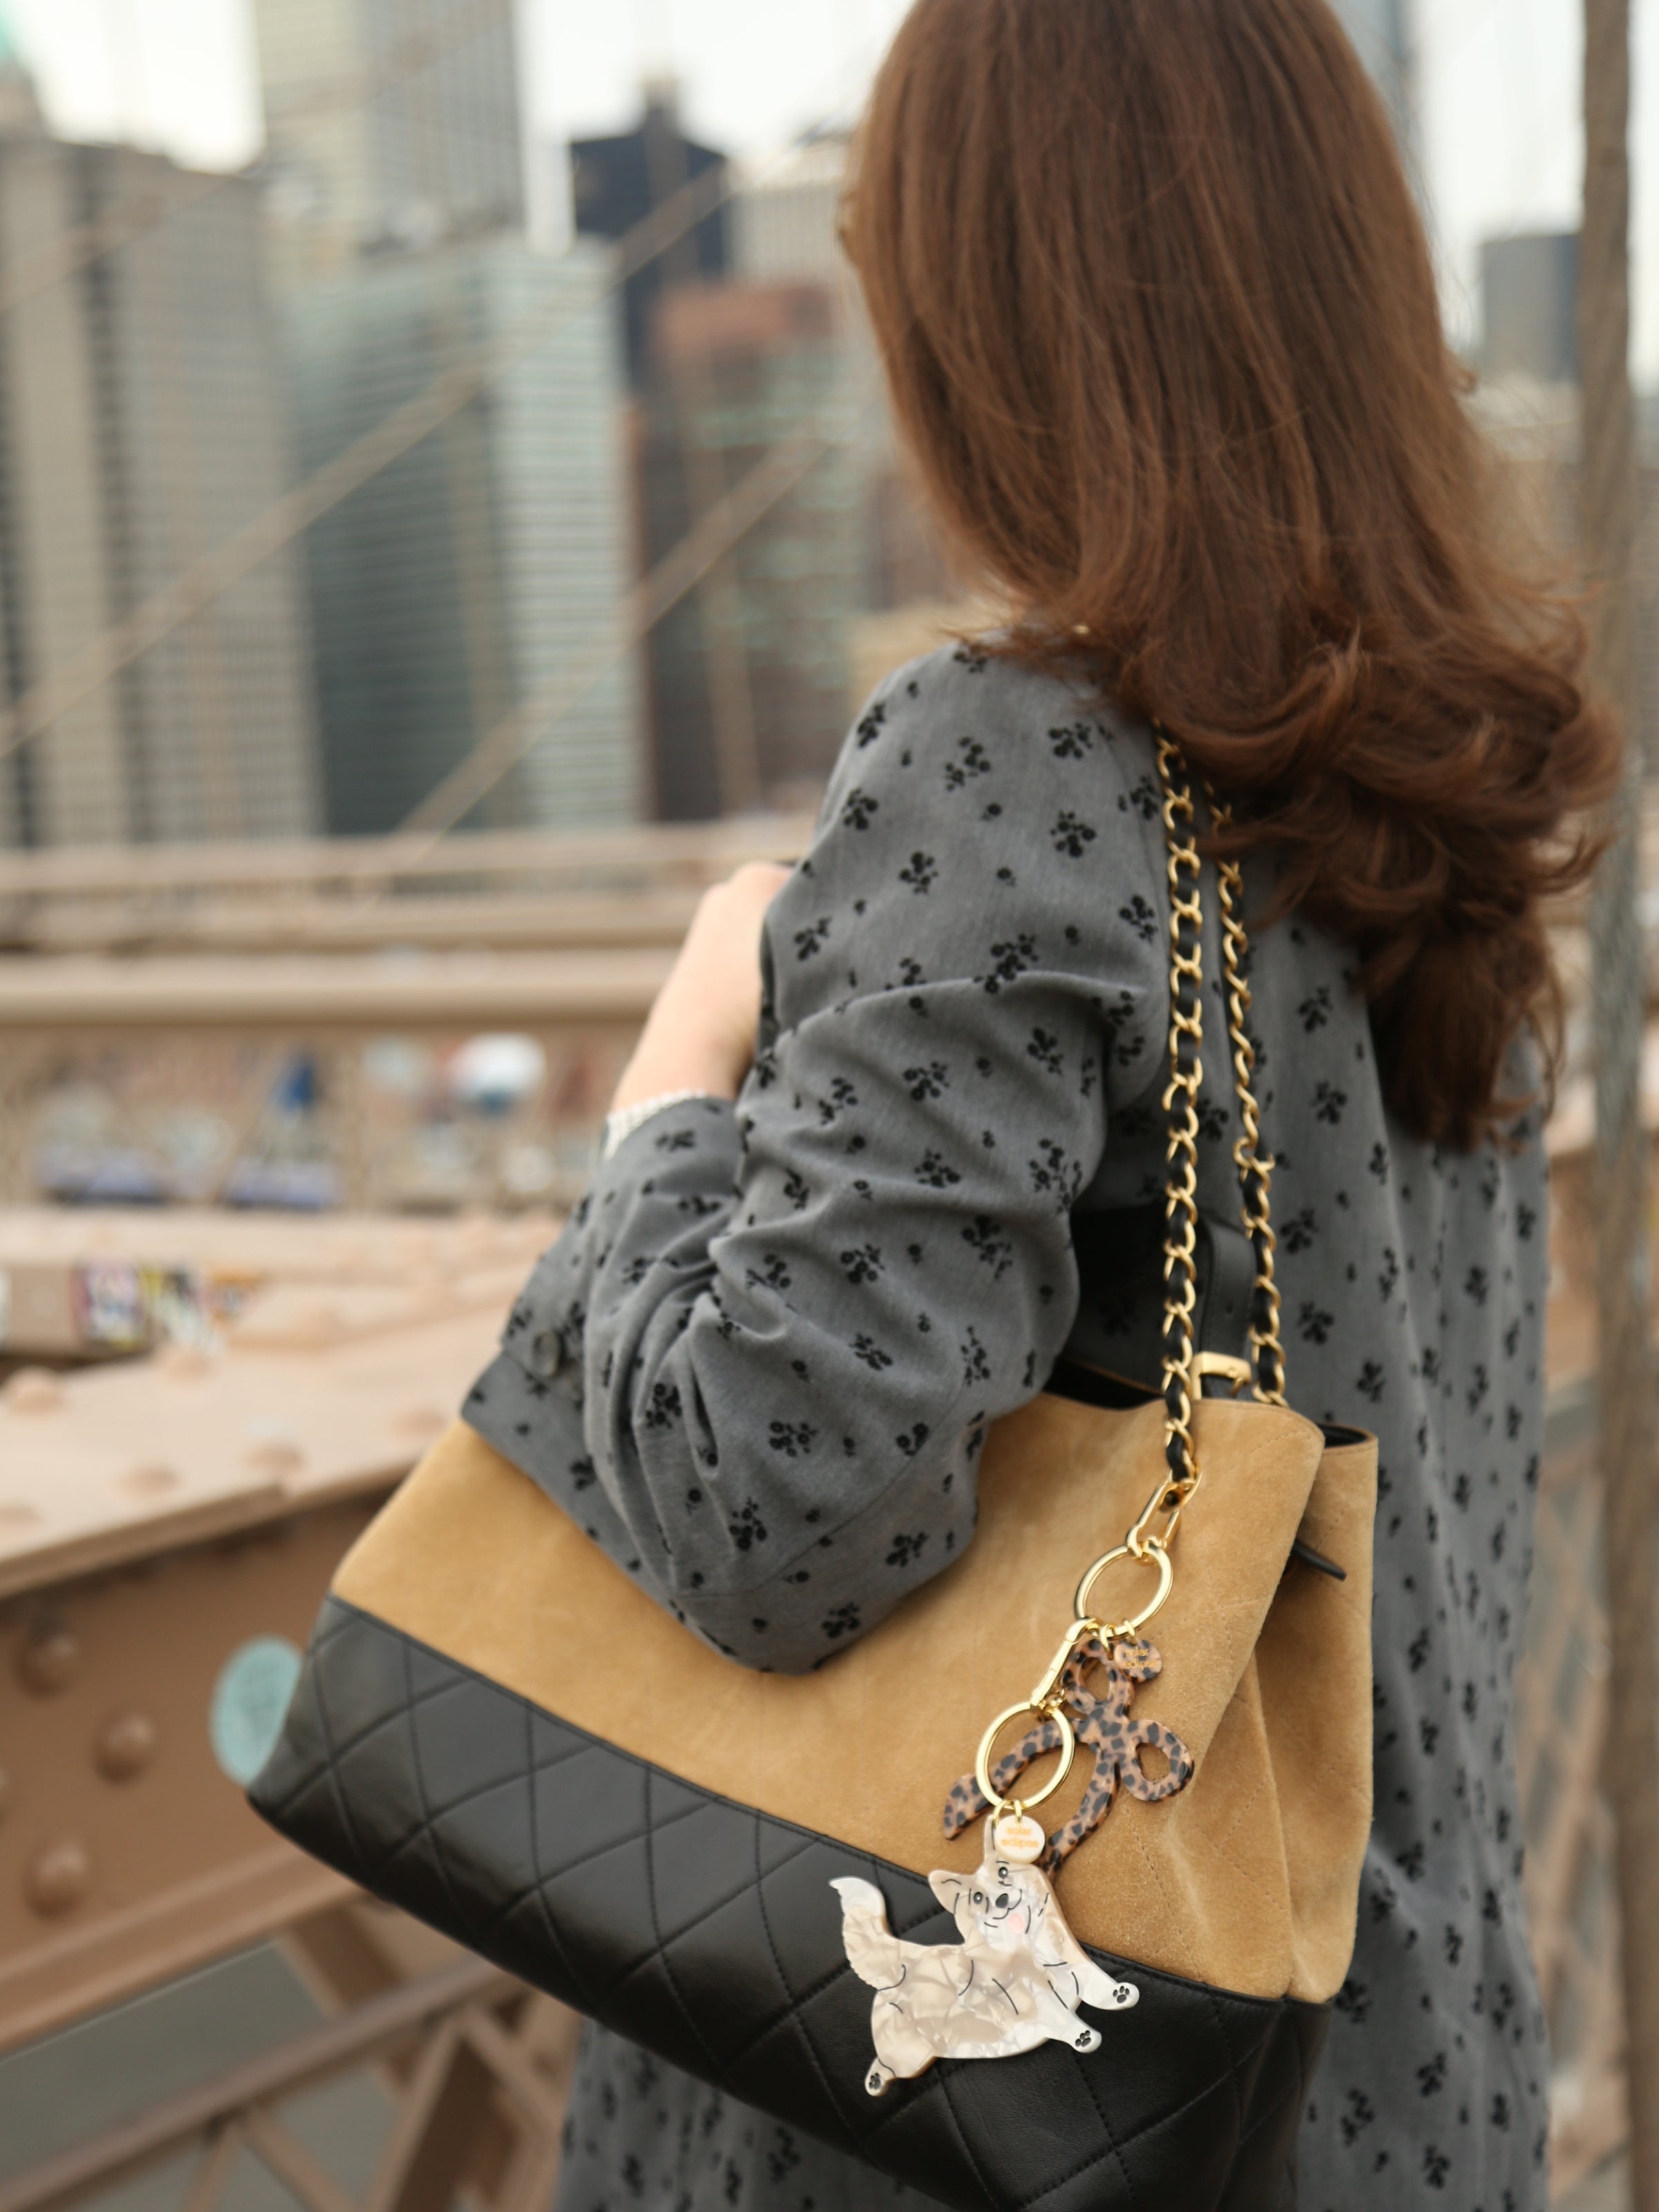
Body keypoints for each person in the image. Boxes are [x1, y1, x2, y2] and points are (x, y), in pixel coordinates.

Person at [462, 1, 1618, 2204]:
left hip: (1005, 2114)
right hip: (1394, 2088)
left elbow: (774, 1508)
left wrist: (674, 1086)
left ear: (988, 321)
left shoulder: (1005, 762)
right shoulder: (1467, 797)